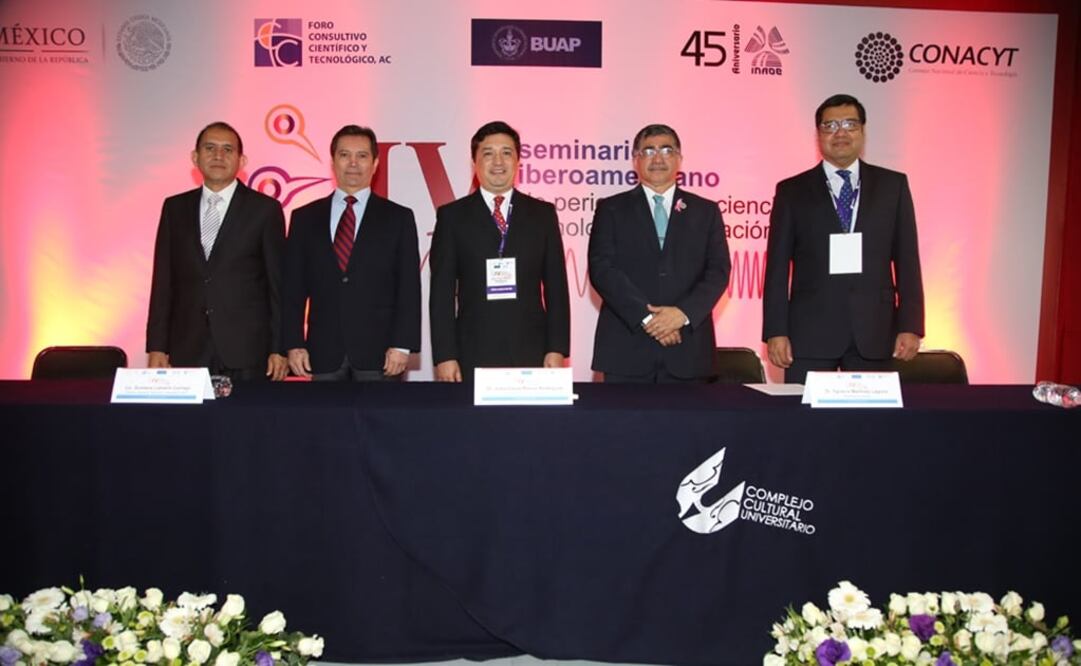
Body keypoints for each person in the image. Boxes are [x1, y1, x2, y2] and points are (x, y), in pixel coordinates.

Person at [762, 93, 925, 383]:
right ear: (818, 134)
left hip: (875, 330)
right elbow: (776, 267)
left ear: (863, 131)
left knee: (871, 426)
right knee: (806, 424)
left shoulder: (893, 186)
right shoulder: (791, 191)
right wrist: (776, 330)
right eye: (830, 125)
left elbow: (907, 258)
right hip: (809, 333)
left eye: (849, 124)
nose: (840, 133)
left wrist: (911, 324)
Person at [429, 120, 570, 382]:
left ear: (518, 162)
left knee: (529, 424)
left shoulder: (542, 214)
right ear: (474, 163)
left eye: (506, 153)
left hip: (533, 350)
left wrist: (557, 348)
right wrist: (445, 355)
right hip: (471, 350)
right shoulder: (452, 217)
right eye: (488, 153)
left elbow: (557, 287)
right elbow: (442, 293)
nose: (498, 162)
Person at [588, 124, 730, 383]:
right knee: (623, 425)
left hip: (688, 350)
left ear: (679, 158)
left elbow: (718, 271)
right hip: (626, 351)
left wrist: (681, 314)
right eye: (649, 150)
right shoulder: (610, 209)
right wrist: (648, 317)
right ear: (636, 160)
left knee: (691, 425)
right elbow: (602, 269)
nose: (658, 158)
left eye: (667, 150)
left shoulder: (705, 211)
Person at [146, 121, 287, 380]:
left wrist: (279, 348)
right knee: (190, 423)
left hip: (247, 350)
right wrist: (157, 345)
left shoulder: (265, 210)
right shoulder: (174, 209)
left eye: (227, 150)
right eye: (210, 148)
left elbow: (277, 286)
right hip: (188, 347)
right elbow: (163, 281)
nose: (218, 156)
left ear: (242, 160)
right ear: (195, 157)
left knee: (246, 422)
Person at [282, 125, 421, 381]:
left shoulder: (398, 218)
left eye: (362, 156)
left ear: (376, 163)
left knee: (381, 421)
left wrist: (402, 345)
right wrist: (292, 343)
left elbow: (408, 287)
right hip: (320, 353)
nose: (353, 163)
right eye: (345, 155)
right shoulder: (304, 218)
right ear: (333, 161)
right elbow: (292, 289)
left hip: (380, 354)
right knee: (323, 422)